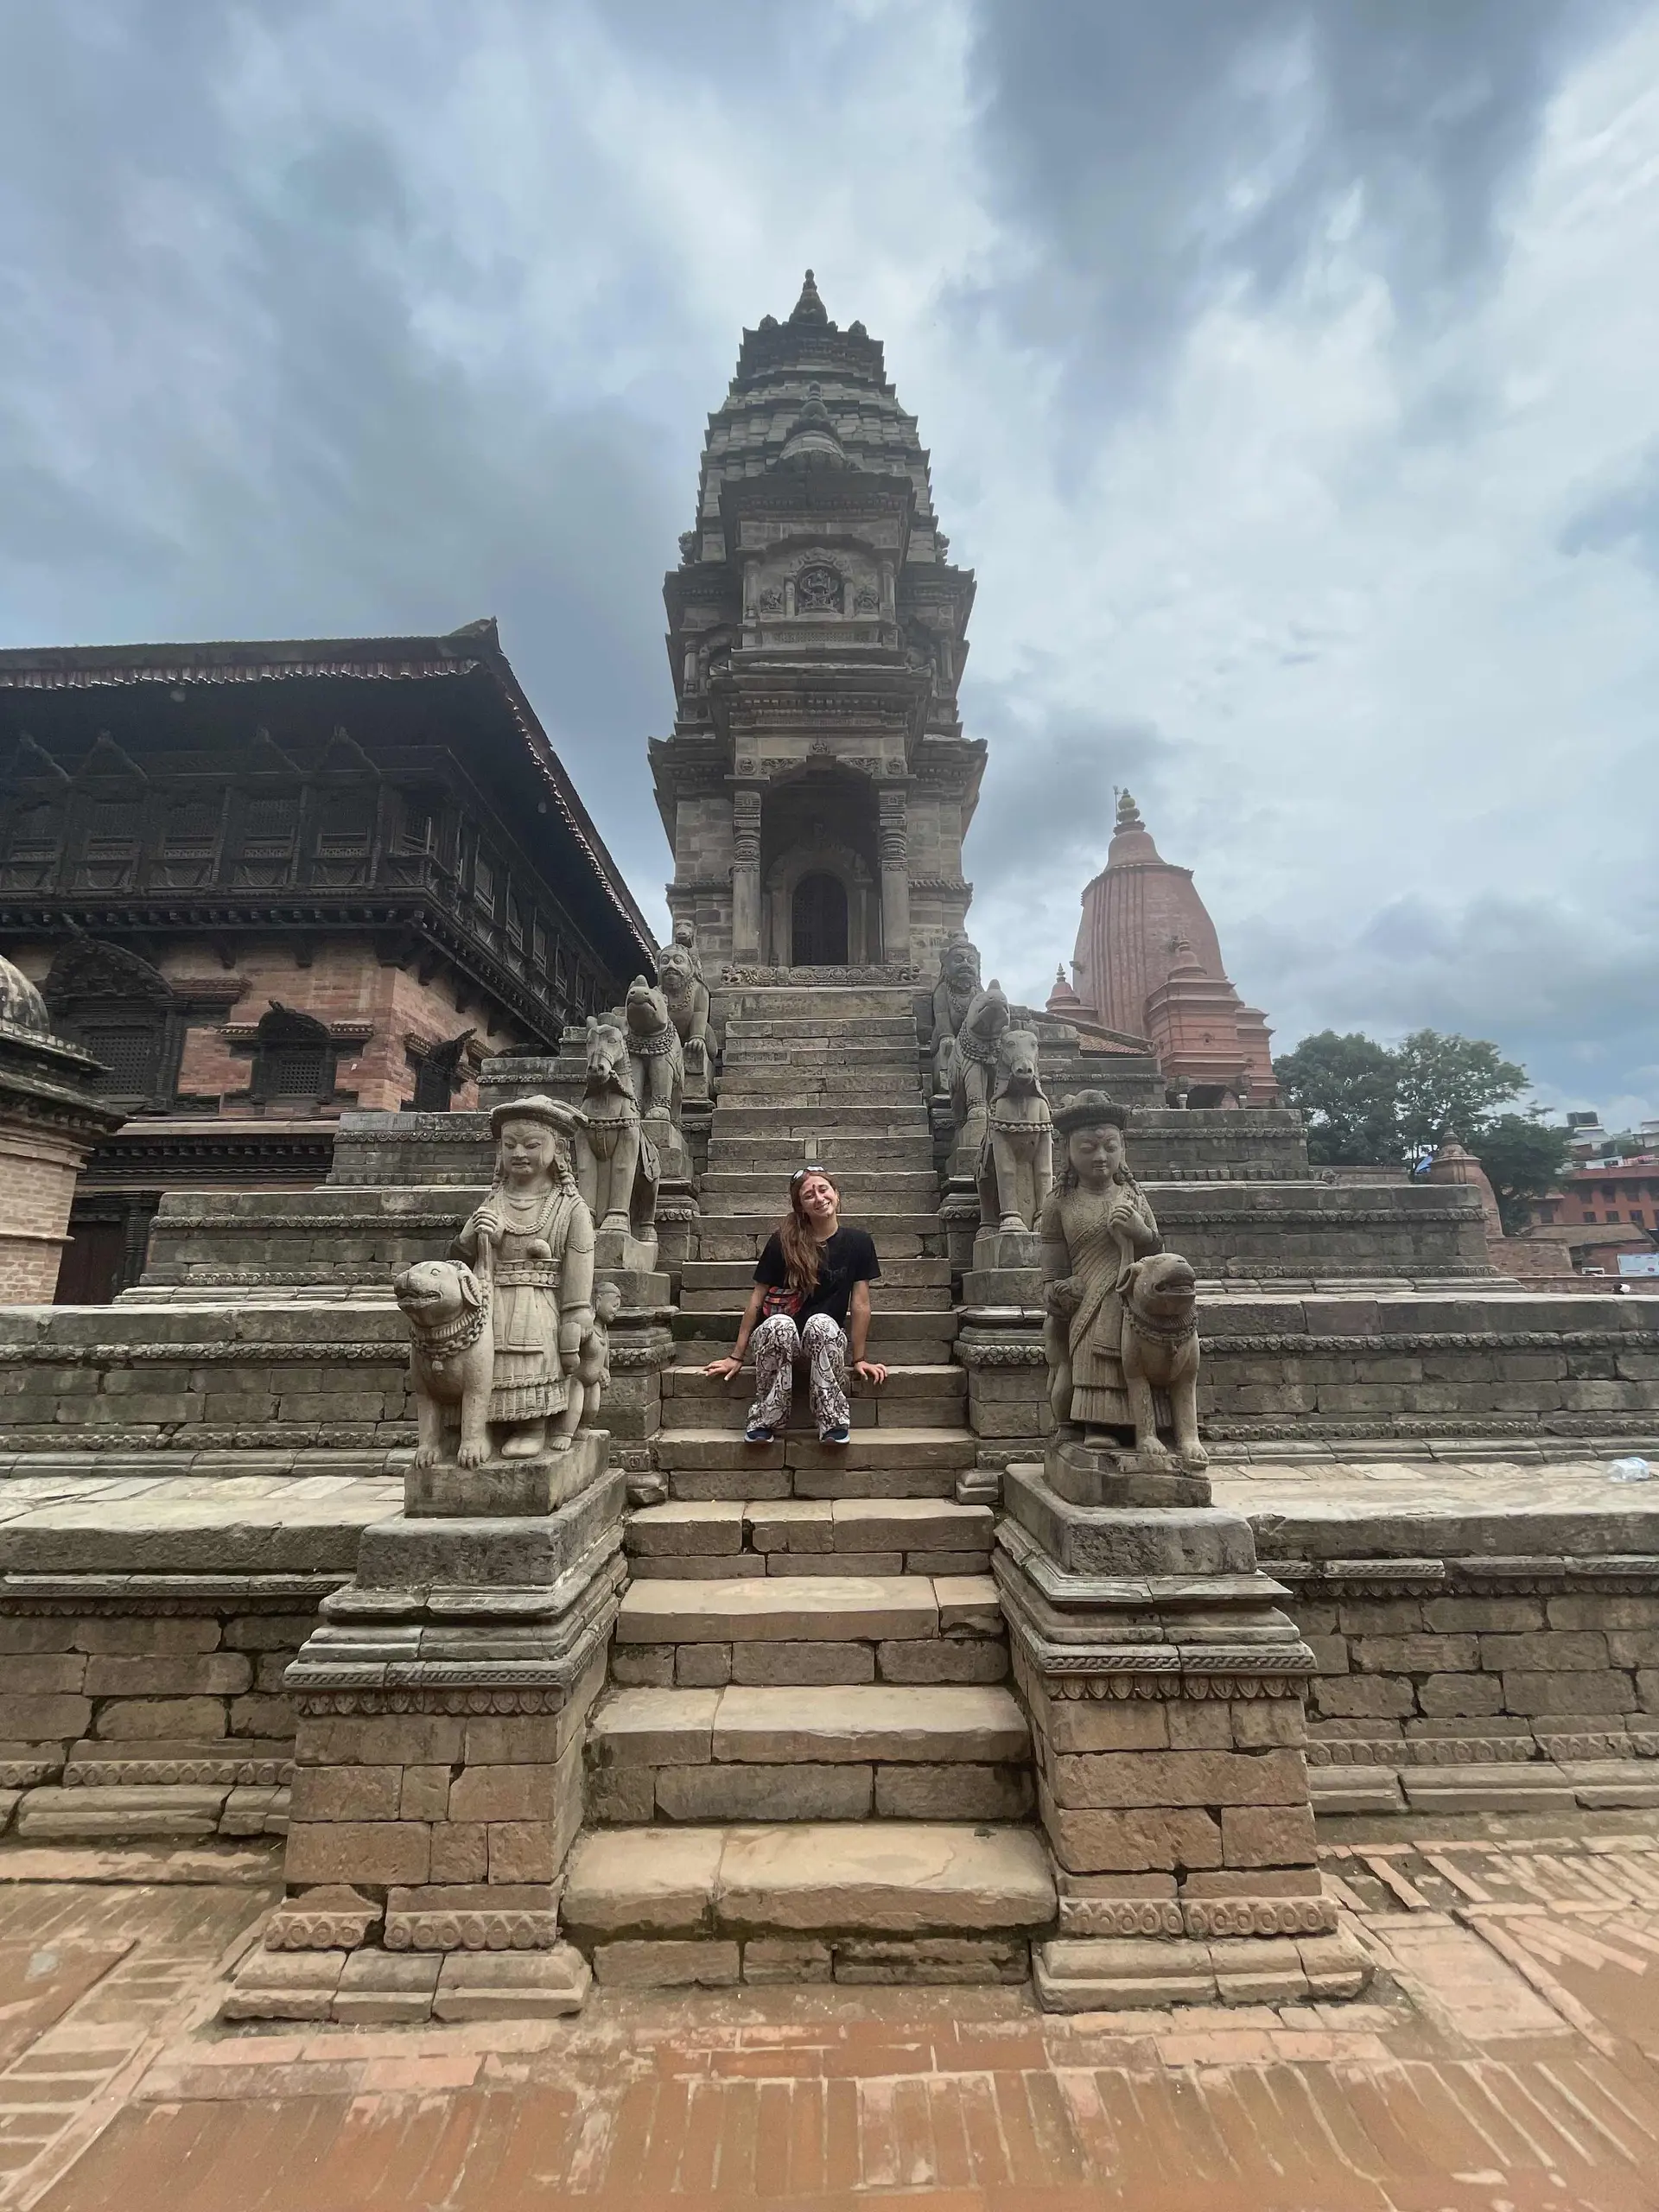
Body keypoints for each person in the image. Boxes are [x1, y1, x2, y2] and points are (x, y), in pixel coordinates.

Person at [704, 1165, 887, 1445]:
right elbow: (756, 1300)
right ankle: (765, 1419)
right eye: (808, 1195)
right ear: (801, 1207)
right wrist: (736, 1355)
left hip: (823, 1343)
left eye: (823, 1189)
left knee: (821, 1323)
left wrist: (859, 1358)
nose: (819, 1198)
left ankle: (832, 1422)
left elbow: (861, 1305)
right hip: (781, 1341)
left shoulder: (859, 1243)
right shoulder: (783, 1243)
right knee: (779, 1324)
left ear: (836, 1194)